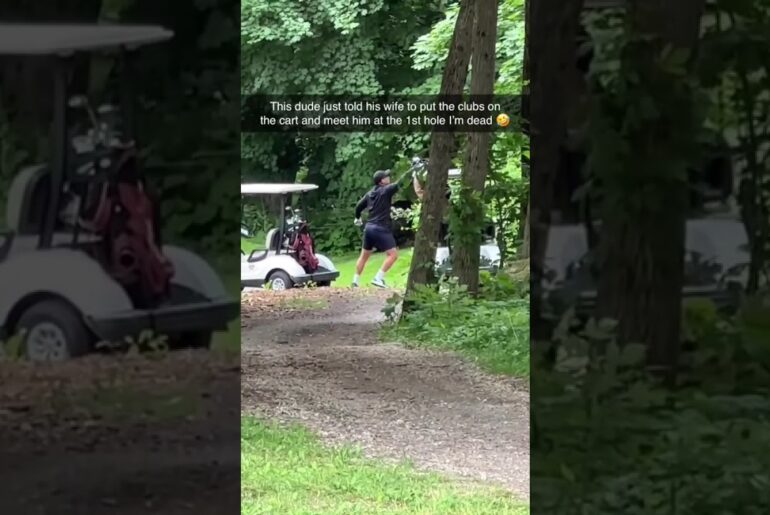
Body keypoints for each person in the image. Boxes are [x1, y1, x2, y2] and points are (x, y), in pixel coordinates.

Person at [353, 168, 412, 288]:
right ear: (381, 182)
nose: (389, 178)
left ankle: (355, 281)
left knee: (364, 256)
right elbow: (401, 181)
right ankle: (378, 278)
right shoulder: (386, 190)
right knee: (393, 255)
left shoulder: (370, 193)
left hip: (369, 228)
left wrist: (357, 218)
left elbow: (358, 206)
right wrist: (414, 169)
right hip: (380, 228)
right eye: (386, 177)